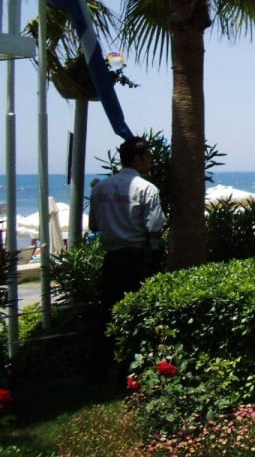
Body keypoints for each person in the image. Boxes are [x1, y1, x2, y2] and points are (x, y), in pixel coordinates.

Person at [89, 136, 165, 378]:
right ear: (137, 158)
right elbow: (154, 228)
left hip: (112, 258)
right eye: (148, 156)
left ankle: (100, 366)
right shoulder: (147, 189)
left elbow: (94, 225)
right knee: (140, 311)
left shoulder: (100, 188)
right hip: (138, 256)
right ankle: (137, 366)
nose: (151, 160)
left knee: (108, 312)